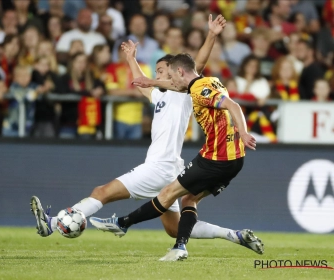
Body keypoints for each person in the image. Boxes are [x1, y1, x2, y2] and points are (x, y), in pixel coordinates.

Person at [31, 15, 261, 256]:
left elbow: (197, 66)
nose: (159, 75)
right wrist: (131, 59)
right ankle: (233, 235)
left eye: (162, 71)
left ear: (176, 73)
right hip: (169, 167)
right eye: (157, 71)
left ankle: (54, 222)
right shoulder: (161, 96)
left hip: (159, 167)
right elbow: (143, 85)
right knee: (174, 229)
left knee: (101, 192)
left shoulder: (183, 92)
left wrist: (211, 35)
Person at [90, 53, 263, 261]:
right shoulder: (211, 81)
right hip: (236, 159)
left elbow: (233, 105)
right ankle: (181, 246)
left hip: (215, 157)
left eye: (171, 76)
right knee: (189, 199)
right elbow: (178, 86)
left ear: (180, 72)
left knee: (168, 193)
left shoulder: (199, 90)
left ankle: (123, 223)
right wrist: (151, 79)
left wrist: (243, 132)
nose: (170, 81)